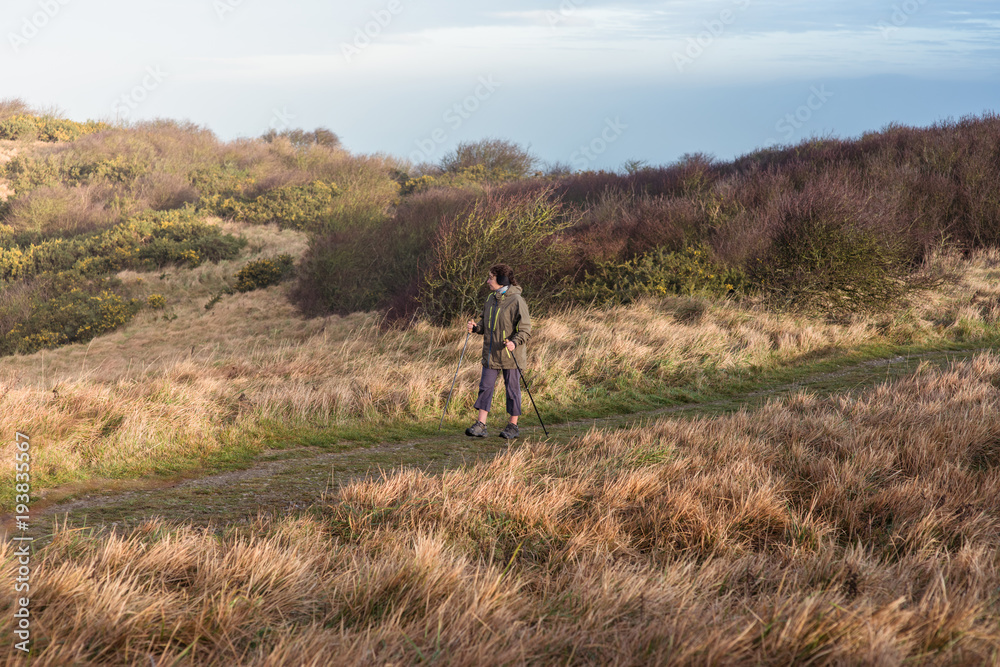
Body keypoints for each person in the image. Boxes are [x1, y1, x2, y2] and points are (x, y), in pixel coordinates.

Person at [465, 264, 531, 439]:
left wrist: (514, 343)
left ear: (501, 280)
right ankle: (481, 425)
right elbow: (485, 325)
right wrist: (476, 328)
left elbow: (525, 330)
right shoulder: (490, 299)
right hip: (491, 353)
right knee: (485, 387)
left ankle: (513, 426)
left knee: (512, 390)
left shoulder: (517, 301)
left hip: (511, 355)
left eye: (491, 278)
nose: (488, 281)